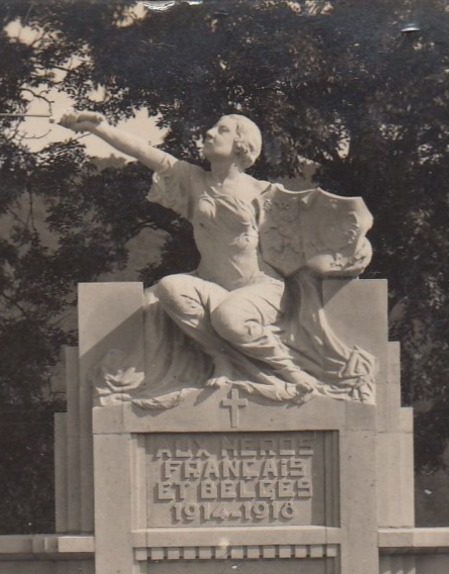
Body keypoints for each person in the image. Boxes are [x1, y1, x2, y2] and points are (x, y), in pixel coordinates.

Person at [59, 111, 322, 395]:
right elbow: (146, 152)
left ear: (241, 144)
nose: (209, 133)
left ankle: (289, 369)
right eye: (212, 127)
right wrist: (102, 129)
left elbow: (295, 245)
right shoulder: (194, 180)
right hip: (209, 284)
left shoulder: (262, 193)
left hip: (257, 288)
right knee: (169, 287)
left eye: (221, 130)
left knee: (230, 317)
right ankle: (221, 359)